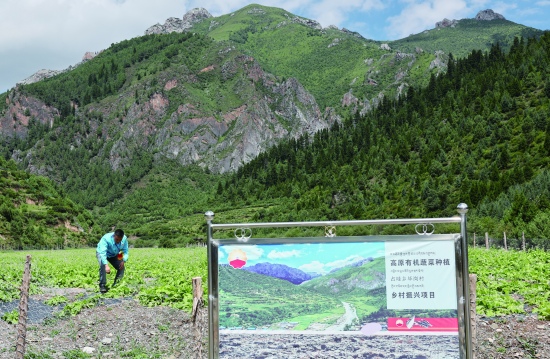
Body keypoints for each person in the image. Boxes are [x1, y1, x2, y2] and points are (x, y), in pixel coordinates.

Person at [96, 229, 128, 293]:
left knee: (121, 267)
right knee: (103, 266)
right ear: (114, 236)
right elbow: (103, 253)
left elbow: (124, 251)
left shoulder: (124, 239)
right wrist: (106, 265)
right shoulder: (106, 238)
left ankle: (116, 285)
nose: (118, 241)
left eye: (120, 240)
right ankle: (102, 285)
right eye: (116, 239)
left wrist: (123, 261)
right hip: (102, 253)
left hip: (115, 253)